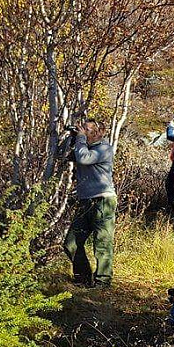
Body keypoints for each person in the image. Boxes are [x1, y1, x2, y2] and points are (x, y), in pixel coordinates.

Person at [63, 119, 117, 288]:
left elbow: (84, 158)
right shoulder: (84, 146)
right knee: (71, 243)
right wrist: (72, 138)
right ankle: (83, 278)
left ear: (98, 132)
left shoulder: (104, 148)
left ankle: (102, 282)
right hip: (85, 201)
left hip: (103, 201)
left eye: (87, 129)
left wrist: (79, 139)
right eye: (83, 129)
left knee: (102, 243)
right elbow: (64, 156)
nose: (84, 131)